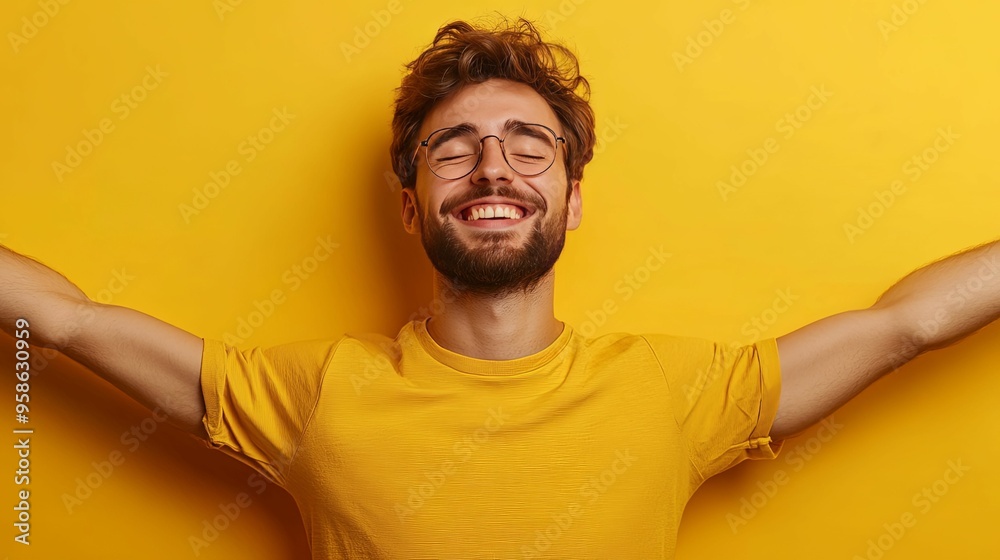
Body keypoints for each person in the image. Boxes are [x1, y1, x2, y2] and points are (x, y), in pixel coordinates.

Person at [2, 16, 997, 560]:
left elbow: (903, 322)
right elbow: (64, 318)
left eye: (530, 147)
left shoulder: (675, 389)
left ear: (570, 201)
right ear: (410, 203)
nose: (493, 168)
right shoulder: (311, 393)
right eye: (455, 149)